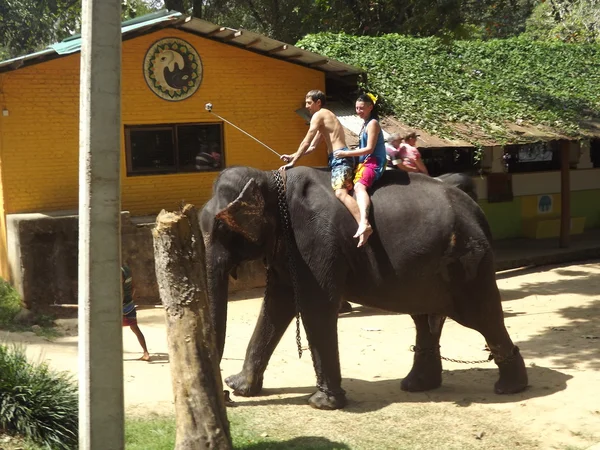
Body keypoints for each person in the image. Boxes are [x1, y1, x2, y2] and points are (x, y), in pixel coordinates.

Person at [279, 90, 366, 245]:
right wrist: (293, 156)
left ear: (318, 102)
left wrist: (294, 163)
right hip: (337, 158)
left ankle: (364, 224)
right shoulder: (326, 117)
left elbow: (306, 141)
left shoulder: (319, 115)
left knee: (340, 193)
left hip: (341, 158)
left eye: (309, 103)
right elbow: (312, 147)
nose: (306, 106)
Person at [333, 93, 387, 246]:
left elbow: (369, 149)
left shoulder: (373, 124)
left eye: (362, 108)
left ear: (371, 107)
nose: (358, 111)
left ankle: (364, 222)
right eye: (357, 108)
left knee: (359, 186)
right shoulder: (365, 124)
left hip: (374, 162)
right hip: (364, 162)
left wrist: (346, 153)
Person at [122, 265, 150, 362]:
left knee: (111, 330)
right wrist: (130, 299)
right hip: (129, 305)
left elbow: (120, 289)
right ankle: (146, 353)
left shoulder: (117, 272)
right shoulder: (127, 269)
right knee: (135, 328)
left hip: (120, 306)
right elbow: (134, 287)